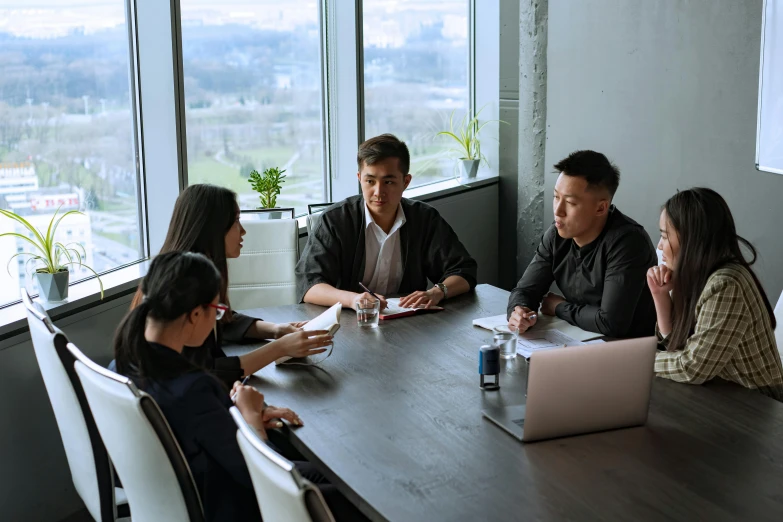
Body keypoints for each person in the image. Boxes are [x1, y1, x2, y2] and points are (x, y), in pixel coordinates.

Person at [113, 251, 364, 521]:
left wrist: (236, 415)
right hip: (234, 503)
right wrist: (252, 417)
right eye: (218, 310)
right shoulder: (194, 389)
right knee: (354, 501)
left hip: (194, 492)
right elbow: (262, 476)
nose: (218, 320)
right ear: (196, 314)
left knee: (330, 478)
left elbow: (197, 430)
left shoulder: (121, 367)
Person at [116, 184, 333, 387]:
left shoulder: (180, 269)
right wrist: (279, 349)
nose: (243, 231)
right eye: (236, 221)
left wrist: (276, 330)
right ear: (213, 228)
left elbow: (220, 320)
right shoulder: (187, 278)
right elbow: (207, 372)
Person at [296, 133, 478, 310]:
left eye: (388, 182)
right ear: (359, 178)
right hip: (351, 323)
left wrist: (437, 292)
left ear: (406, 182)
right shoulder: (335, 220)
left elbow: (463, 270)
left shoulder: (424, 218)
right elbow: (309, 284)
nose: (378, 192)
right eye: (370, 181)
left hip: (410, 324)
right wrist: (353, 299)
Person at [647, 188, 783, 401]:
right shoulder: (697, 275)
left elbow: (692, 367)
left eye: (664, 236)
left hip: (759, 405)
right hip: (718, 392)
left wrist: (638, 362)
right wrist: (661, 296)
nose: (659, 245)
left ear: (691, 239)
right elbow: (677, 348)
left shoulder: (726, 284)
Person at [507, 150, 657, 338]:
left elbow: (610, 322)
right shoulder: (556, 235)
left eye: (570, 202)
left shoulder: (628, 243)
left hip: (628, 351)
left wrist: (559, 307)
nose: (558, 211)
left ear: (601, 207)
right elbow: (525, 290)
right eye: (556, 197)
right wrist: (518, 311)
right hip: (579, 339)